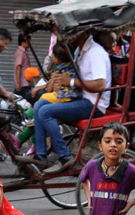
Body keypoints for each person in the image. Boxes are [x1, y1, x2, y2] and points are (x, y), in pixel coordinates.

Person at [23, 30, 111, 175]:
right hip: (81, 98)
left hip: (93, 104)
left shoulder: (96, 53)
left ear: (81, 33)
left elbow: (100, 85)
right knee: (39, 105)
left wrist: (69, 81)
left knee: (45, 112)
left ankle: (64, 157)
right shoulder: (79, 51)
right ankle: (40, 155)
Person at [14, 34, 32, 101]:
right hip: (23, 84)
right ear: (23, 42)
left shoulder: (24, 52)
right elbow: (18, 67)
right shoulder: (20, 52)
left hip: (26, 82)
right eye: (28, 41)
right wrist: (18, 83)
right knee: (22, 101)